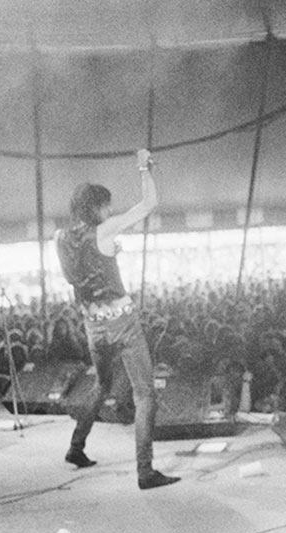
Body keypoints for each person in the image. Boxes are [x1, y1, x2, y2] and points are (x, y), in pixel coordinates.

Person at [56, 148, 179, 490]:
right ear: (96, 207)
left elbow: (75, 276)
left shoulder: (60, 238)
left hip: (92, 327)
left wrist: (109, 256)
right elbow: (148, 204)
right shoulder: (105, 229)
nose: (109, 210)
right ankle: (145, 471)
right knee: (145, 395)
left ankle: (76, 447)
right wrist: (144, 167)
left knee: (102, 385)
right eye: (106, 205)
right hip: (122, 324)